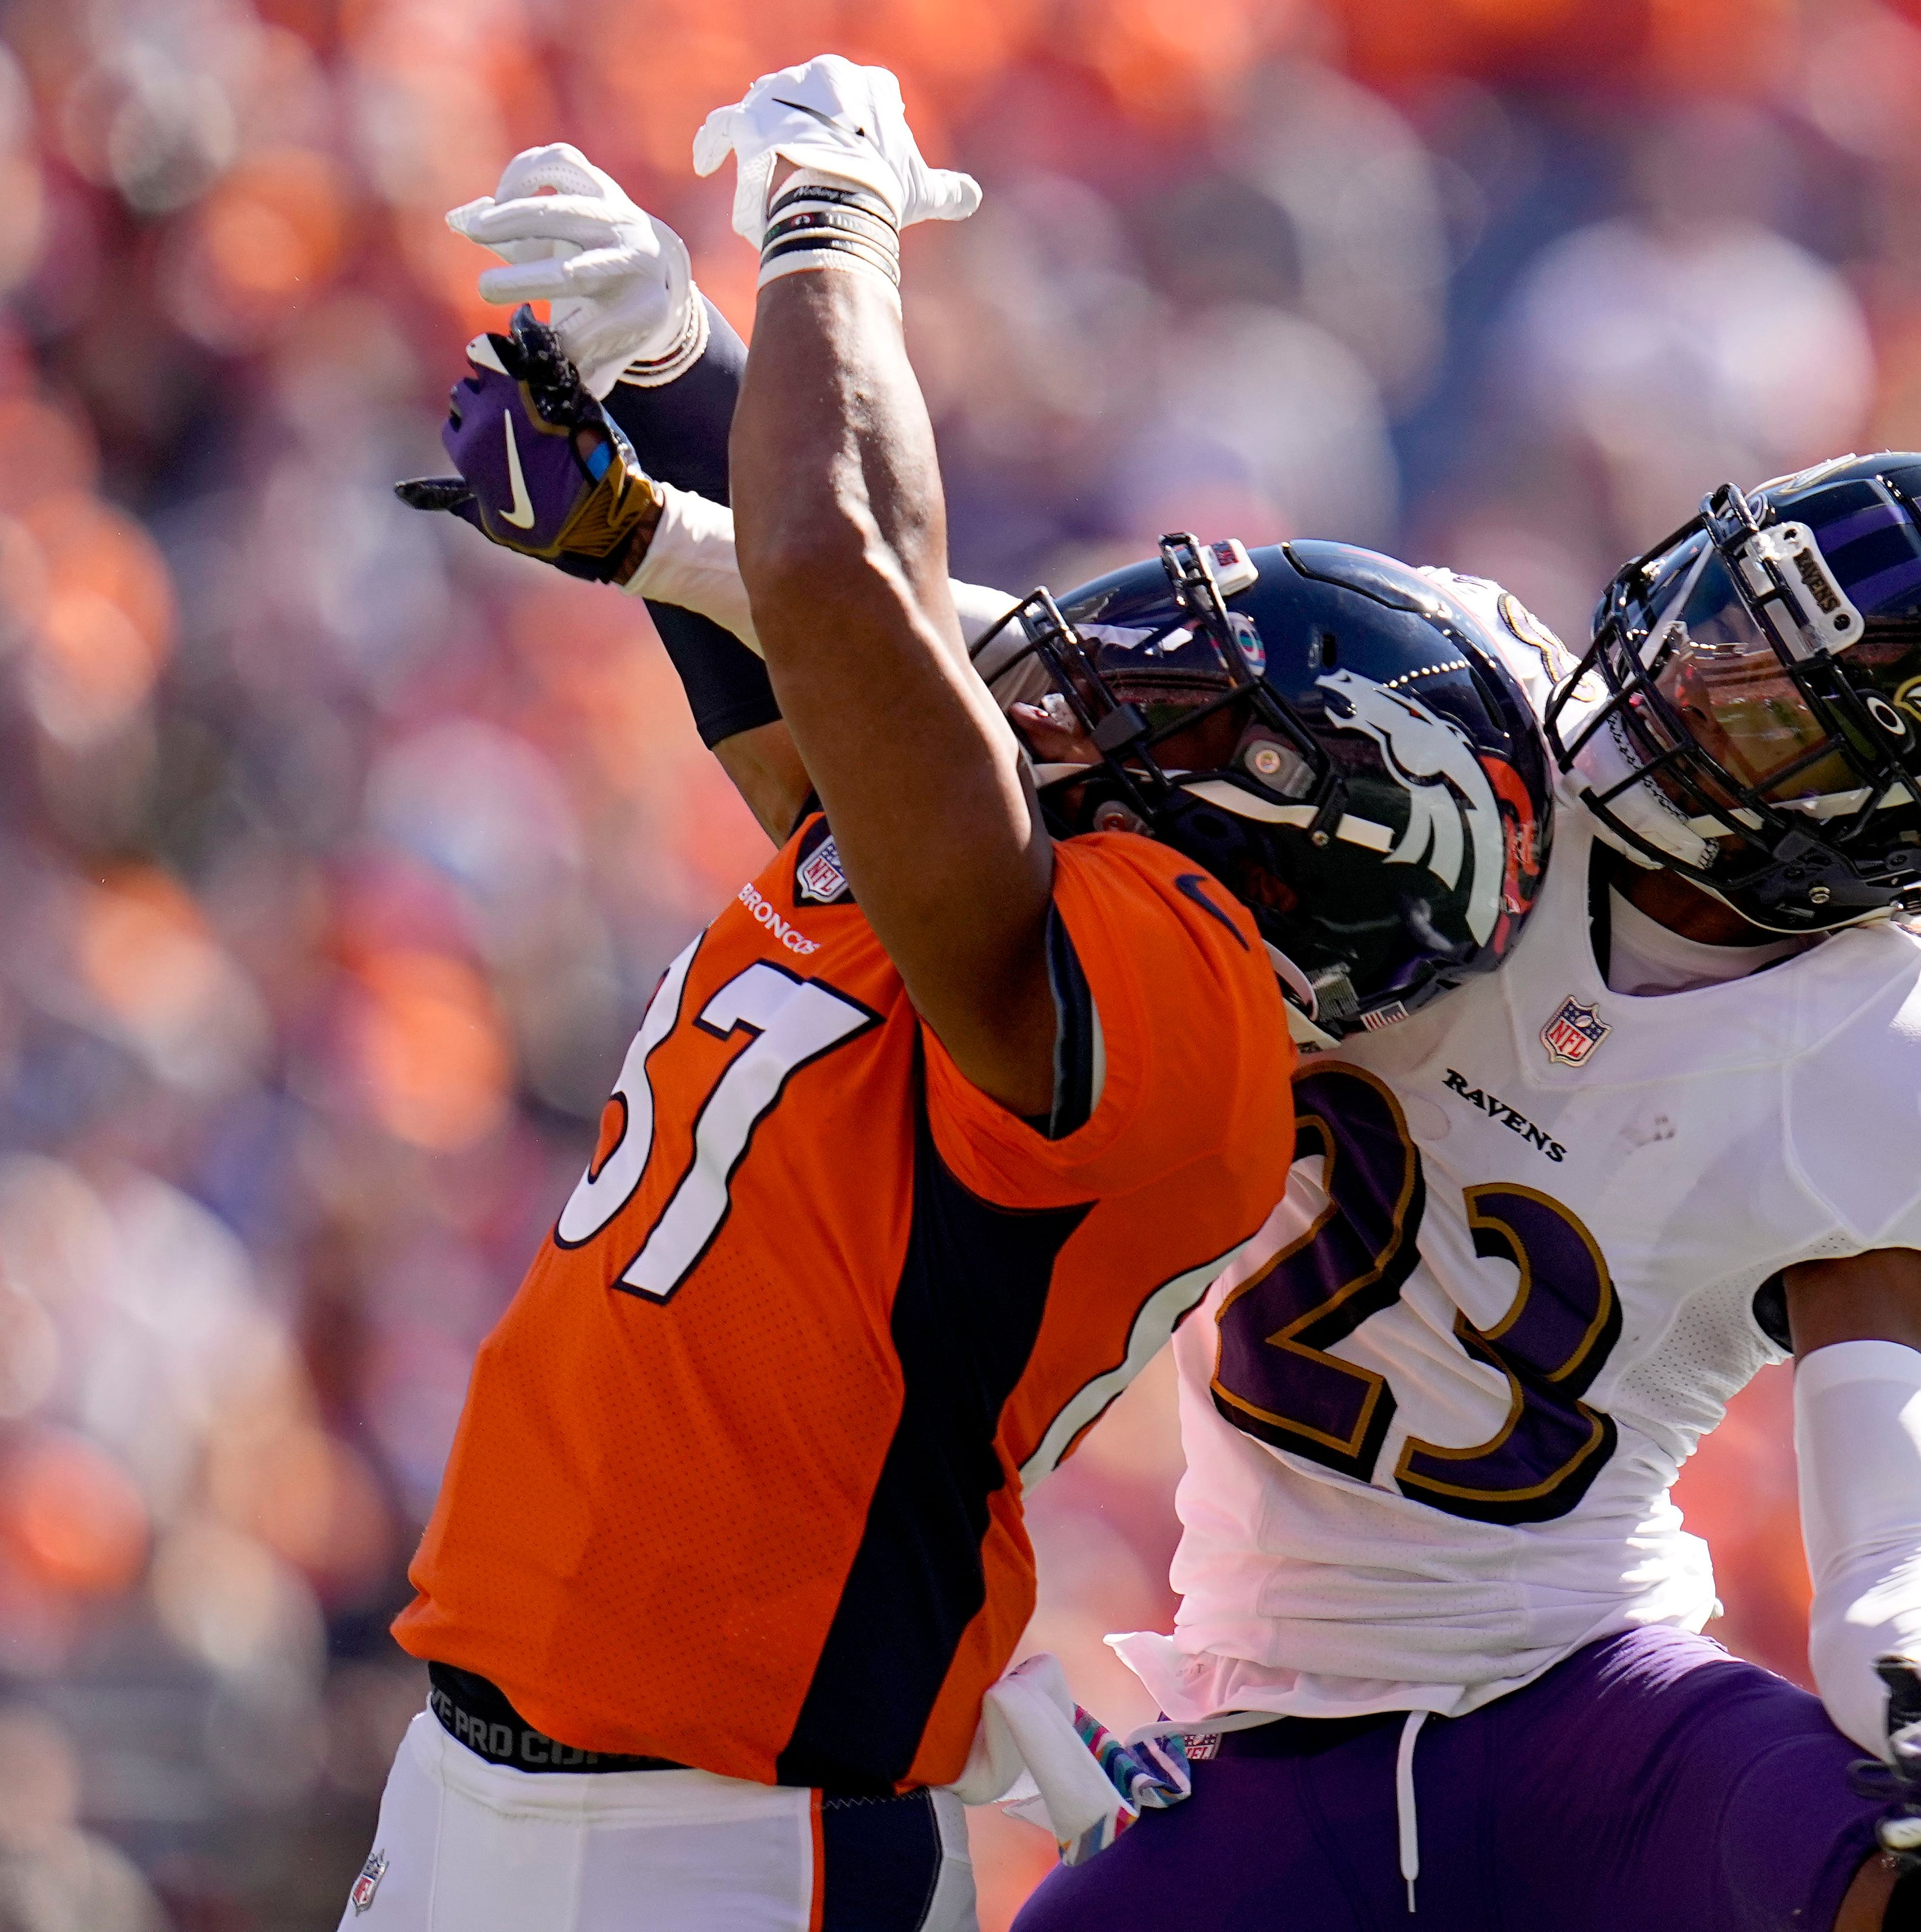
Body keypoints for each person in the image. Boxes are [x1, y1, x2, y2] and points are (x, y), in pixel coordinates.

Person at [438, 107, 1921, 1932]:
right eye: (1718, 614)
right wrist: (661, 504)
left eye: (1766, 705)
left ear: (1893, 817)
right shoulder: (1471, 754)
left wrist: (1906, 1646)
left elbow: (1889, 1453)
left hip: (1581, 1685)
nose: (1678, 680)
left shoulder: (1880, 1055)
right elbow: (1089, 689)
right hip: (1266, 1707)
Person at [344, 58, 1548, 1932]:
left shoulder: (1171, 1006)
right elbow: (806, 675)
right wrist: (668, 368)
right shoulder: (1025, 900)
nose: (1120, 669)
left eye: (1210, 696)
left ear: (1315, 835)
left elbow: (844, 583)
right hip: (533, 1774)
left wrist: (833, 218)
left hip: (717, 1838)